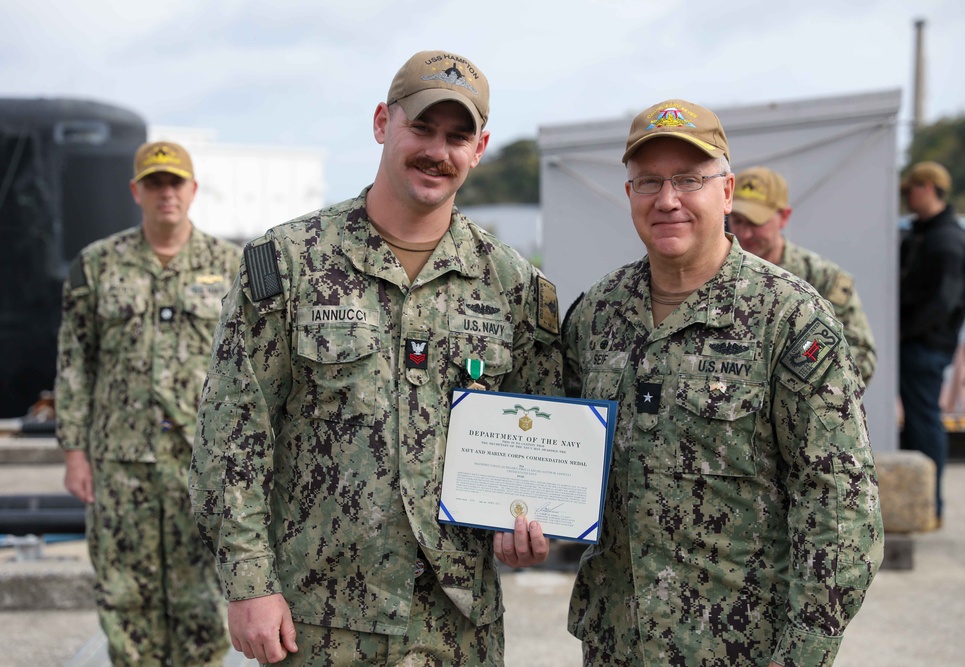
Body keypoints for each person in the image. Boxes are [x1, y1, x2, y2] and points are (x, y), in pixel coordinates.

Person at [190, 49, 562, 666]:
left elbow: (543, 423)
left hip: (457, 624)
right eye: (421, 127)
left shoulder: (513, 286)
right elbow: (233, 430)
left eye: (457, 137)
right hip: (322, 621)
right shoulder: (289, 264)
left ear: (481, 147)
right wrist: (249, 583)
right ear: (382, 123)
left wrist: (532, 518)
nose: (437, 151)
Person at [563, 98, 884, 667]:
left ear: (727, 192)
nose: (668, 200)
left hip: (739, 648)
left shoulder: (789, 317)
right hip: (616, 645)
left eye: (689, 179)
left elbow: (839, 506)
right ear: (630, 193)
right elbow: (561, 457)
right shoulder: (596, 315)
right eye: (649, 182)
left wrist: (802, 655)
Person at [56, 141, 239, 665]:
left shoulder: (228, 265)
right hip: (120, 463)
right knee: (124, 596)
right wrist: (74, 453)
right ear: (136, 191)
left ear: (193, 190)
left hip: (200, 465)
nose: (166, 193)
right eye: (154, 183)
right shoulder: (95, 266)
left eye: (175, 182)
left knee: (202, 600)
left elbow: (250, 369)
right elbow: (74, 364)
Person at [728, 165, 877, 386]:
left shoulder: (822, 278)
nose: (745, 233)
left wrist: (794, 372)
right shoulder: (718, 273)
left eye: (756, 223)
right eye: (738, 221)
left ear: (784, 217)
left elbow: (862, 356)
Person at [899, 161, 965, 525]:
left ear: (927, 188)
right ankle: (928, 504)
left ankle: (931, 505)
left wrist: (903, 331)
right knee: (920, 421)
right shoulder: (932, 234)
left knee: (924, 423)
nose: (905, 198)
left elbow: (941, 303)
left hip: (925, 346)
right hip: (924, 342)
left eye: (907, 190)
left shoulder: (945, 241)